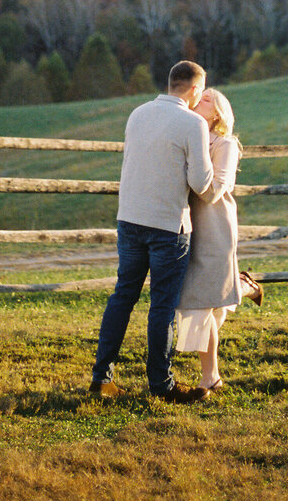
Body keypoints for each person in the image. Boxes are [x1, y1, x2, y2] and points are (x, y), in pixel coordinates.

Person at [89, 60, 215, 403]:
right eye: (200, 90)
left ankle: (102, 378)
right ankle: (162, 384)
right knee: (162, 306)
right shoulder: (193, 124)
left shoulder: (138, 113)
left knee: (122, 297)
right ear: (193, 89)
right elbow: (200, 183)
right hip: (167, 225)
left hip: (129, 219)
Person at [175, 87, 264, 392]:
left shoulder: (224, 143)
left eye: (209, 99)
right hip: (183, 223)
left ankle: (210, 377)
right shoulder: (186, 134)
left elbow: (216, 188)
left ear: (218, 113)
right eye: (200, 96)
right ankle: (242, 287)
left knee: (202, 301)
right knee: (204, 302)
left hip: (214, 224)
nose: (201, 99)